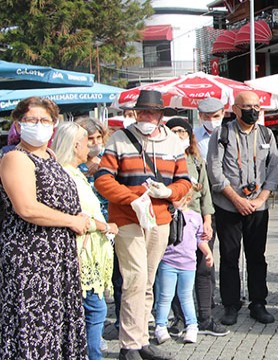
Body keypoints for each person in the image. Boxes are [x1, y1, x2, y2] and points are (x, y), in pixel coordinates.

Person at [95, 90, 191, 360]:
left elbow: (184, 180)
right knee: (135, 279)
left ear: (161, 115)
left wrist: (169, 192)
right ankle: (129, 344)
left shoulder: (173, 142)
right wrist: (133, 197)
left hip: (160, 219)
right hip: (128, 218)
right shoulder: (119, 139)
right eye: (142, 112)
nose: (146, 116)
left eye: (151, 112)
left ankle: (140, 339)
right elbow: (103, 180)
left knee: (148, 281)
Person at [0, 97, 88, 358]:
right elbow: (26, 208)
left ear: (54, 124)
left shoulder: (50, 157)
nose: (38, 125)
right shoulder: (16, 158)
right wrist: (72, 221)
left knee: (57, 329)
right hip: (29, 258)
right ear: (18, 123)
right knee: (34, 329)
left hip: (58, 259)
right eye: (31, 120)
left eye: (45, 120)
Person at [207, 91, 278, 326]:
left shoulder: (267, 134)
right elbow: (215, 171)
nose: (253, 110)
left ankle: (258, 303)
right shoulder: (222, 133)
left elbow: (274, 169)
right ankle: (230, 304)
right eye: (247, 106)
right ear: (235, 109)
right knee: (229, 256)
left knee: (257, 256)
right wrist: (235, 198)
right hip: (228, 205)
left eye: (256, 106)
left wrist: (261, 199)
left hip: (258, 207)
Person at [51, 121, 118, 360]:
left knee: (93, 308)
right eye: (87, 141)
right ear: (75, 145)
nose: (91, 145)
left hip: (91, 253)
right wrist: (104, 226)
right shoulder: (65, 174)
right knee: (94, 309)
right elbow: (77, 216)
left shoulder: (76, 171)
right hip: (80, 252)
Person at [165, 117, 228, 336]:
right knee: (174, 270)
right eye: (173, 131)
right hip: (173, 222)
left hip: (198, 221)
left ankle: (205, 317)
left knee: (204, 268)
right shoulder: (164, 159)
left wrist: (208, 220)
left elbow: (206, 195)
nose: (178, 135)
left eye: (183, 131)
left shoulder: (196, 159)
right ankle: (180, 318)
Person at [153, 189, 215, 344]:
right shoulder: (167, 215)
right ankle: (160, 326)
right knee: (165, 296)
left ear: (188, 199)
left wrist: (208, 253)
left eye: (178, 197)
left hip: (188, 264)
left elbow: (200, 239)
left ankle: (192, 326)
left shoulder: (195, 217)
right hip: (168, 262)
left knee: (186, 296)